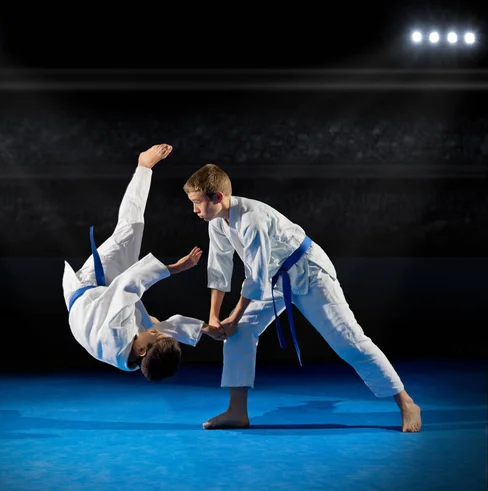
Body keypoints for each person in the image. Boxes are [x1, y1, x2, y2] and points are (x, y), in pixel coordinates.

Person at [183, 163, 422, 432]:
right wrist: (215, 317)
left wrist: (234, 317)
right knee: (238, 334)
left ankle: (406, 402)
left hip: (309, 273)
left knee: (349, 340)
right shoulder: (217, 223)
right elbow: (219, 268)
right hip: (274, 278)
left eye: (197, 202)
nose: (195, 210)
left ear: (218, 197)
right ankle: (237, 410)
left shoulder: (251, 218)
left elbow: (256, 277)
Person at [62, 144, 224, 382]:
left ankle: (143, 166)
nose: (157, 333)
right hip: (98, 305)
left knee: (130, 229)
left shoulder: (117, 332)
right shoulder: (136, 356)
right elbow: (158, 329)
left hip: (94, 284)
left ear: (141, 350)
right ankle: (143, 168)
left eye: (154, 338)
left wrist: (176, 268)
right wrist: (204, 328)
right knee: (150, 325)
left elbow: (128, 283)